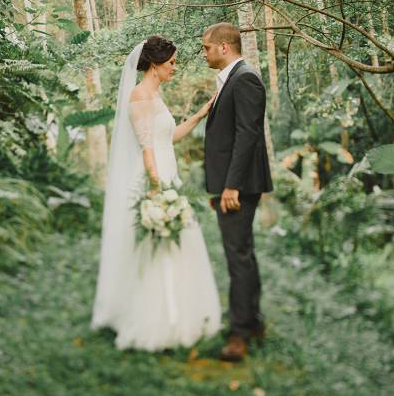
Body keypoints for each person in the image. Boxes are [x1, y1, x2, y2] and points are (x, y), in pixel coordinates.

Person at [90, 35, 221, 351]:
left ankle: (179, 312)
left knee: (175, 244)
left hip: (167, 173)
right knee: (156, 247)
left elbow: (169, 137)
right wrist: (156, 186)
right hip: (156, 177)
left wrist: (202, 113)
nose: (175, 68)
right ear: (155, 64)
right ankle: (157, 319)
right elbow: (147, 147)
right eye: (172, 62)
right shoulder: (139, 96)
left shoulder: (155, 95)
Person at [202, 22, 273, 362]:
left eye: (206, 48)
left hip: (239, 186)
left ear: (224, 48)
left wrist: (231, 185)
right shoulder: (234, 77)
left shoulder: (244, 78)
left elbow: (248, 135)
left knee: (237, 259)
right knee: (244, 253)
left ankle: (239, 334)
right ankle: (253, 322)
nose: (204, 53)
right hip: (233, 183)